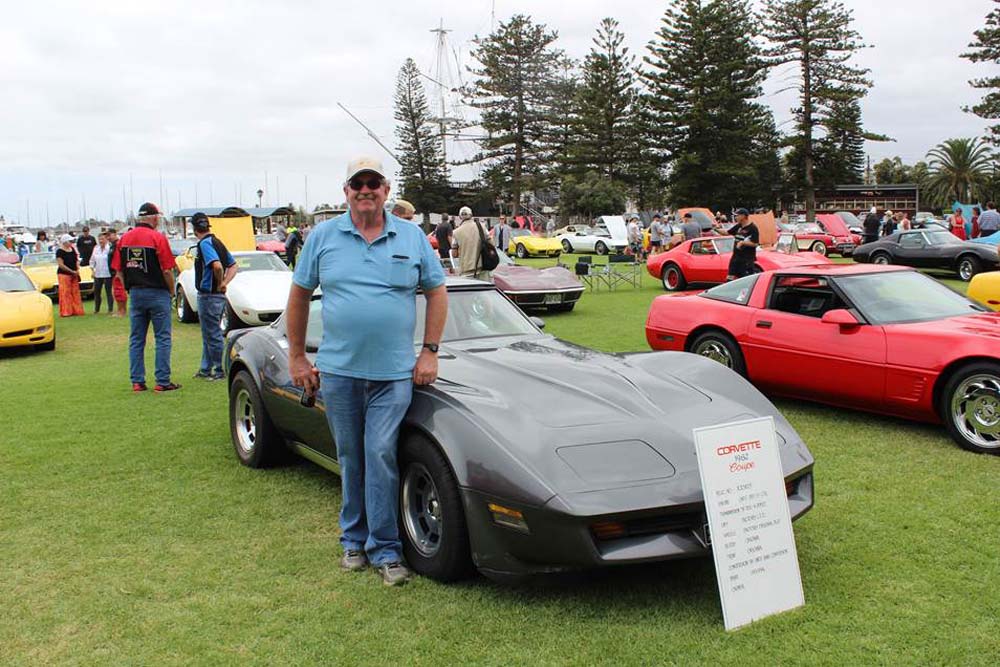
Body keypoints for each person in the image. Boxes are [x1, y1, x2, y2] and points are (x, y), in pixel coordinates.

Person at [285, 156, 447, 586]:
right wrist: (297, 357)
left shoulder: (411, 237)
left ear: (386, 190)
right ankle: (352, 541)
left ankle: (387, 550)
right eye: (358, 183)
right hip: (338, 373)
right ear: (346, 191)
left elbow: (437, 292)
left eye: (373, 183)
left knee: (380, 455)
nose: (365, 190)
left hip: (394, 374)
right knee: (351, 456)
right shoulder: (323, 236)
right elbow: (299, 297)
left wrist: (429, 352)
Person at [111, 202, 180, 392]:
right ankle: (162, 381)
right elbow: (167, 270)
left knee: (136, 339)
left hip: (136, 293)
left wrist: (128, 288)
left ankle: (137, 381)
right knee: (163, 338)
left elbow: (118, 271)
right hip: (157, 292)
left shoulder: (124, 239)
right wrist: (172, 291)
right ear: (154, 218)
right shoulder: (157, 238)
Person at [191, 213, 238, 380]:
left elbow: (217, 266)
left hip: (209, 295)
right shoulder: (217, 242)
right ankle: (205, 368)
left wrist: (220, 283)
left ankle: (219, 370)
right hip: (217, 296)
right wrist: (225, 282)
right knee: (209, 333)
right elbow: (233, 265)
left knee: (213, 335)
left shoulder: (204, 244)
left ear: (194, 229)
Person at [715, 208, 759, 280]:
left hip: (746, 259)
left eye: (737, 216)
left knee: (745, 280)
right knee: (729, 279)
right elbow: (727, 233)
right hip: (735, 257)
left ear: (743, 216)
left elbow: (755, 243)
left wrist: (742, 243)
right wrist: (715, 229)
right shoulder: (738, 226)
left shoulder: (753, 228)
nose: (735, 217)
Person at [452, 205, 493, 279]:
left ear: (460, 217)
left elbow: (454, 254)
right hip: (482, 267)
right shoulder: (482, 227)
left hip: (466, 269)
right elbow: (491, 243)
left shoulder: (456, 232)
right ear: (471, 215)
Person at [55, 234, 85, 317]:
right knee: (65, 293)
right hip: (64, 274)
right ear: (65, 242)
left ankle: (76, 310)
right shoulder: (60, 251)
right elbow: (61, 264)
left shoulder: (72, 249)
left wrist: (77, 268)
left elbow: (76, 260)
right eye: (69, 241)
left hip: (74, 274)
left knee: (75, 292)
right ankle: (66, 311)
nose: (71, 243)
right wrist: (71, 271)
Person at [90, 232, 114, 314]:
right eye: (99, 239)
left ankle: (110, 309)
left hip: (107, 273)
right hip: (98, 273)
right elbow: (92, 261)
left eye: (102, 239)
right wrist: (92, 270)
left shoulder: (109, 248)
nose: (101, 241)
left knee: (108, 292)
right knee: (97, 292)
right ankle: (97, 309)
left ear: (106, 240)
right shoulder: (96, 249)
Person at [107, 228, 128, 317]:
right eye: (107, 236)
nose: (108, 237)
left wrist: (118, 271)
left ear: (115, 234)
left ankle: (122, 311)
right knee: (116, 292)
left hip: (117, 271)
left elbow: (119, 259)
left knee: (120, 292)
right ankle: (120, 310)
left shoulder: (118, 244)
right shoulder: (112, 245)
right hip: (112, 272)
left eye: (109, 235)